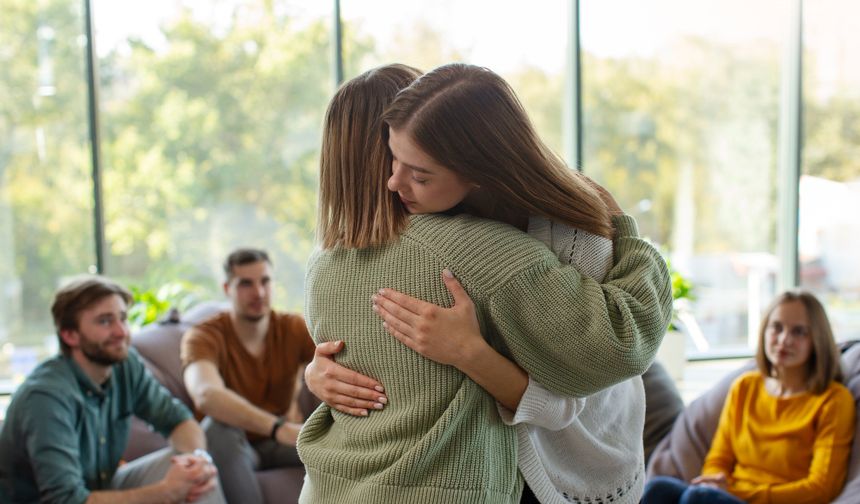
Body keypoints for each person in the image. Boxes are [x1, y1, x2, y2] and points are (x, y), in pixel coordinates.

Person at [298, 63, 672, 504]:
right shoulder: (468, 249)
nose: (394, 180)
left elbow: (579, 391)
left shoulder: (323, 266)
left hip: (568, 467)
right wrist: (314, 374)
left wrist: (470, 354)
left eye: (418, 170)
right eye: (396, 158)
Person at [0, 276, 224, 504]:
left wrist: (198, 460)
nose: (121, 332)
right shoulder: (45, 398)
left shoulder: (124, 366)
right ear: (70, 335)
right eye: (105, 321)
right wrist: (166, 492)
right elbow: (66, 500)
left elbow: (178, 420)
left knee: (193, 476)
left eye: (123, 318)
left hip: (99, 487)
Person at [642, 290, 855, 504]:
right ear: (764, 331)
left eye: (799, 332)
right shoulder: (745, 387)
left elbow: (821, 488)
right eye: (777, 327)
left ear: (817, 339)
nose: (784, 340)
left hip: (776, 500)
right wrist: (715, 482)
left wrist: (736, 493)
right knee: (658, 488)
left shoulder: (834, 400)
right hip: (728, 496)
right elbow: (718, 458)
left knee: (698, 497)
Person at [181, 248, 315, 504]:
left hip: (282, 442)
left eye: (265, 281)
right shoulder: (204, 336)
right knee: (215, 426)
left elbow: (339, 362)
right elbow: (205, 394)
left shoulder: (292, 327)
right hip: (232, 444)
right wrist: (277, 428)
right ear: (226, 288)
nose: (259, 293)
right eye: (245, 284)